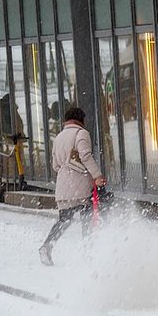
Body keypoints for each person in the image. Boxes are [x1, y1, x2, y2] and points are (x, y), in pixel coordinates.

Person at [39, 107, 106, 266]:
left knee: (65, 219)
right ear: (80, 120)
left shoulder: (59, 137)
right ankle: (88, 253)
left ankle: (47, 246)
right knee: (87, 217)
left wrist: (66, 170)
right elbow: (85, 156)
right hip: (80, 184)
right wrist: (97, 176)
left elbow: (55, 165)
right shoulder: (81, 134)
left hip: (63, 185)